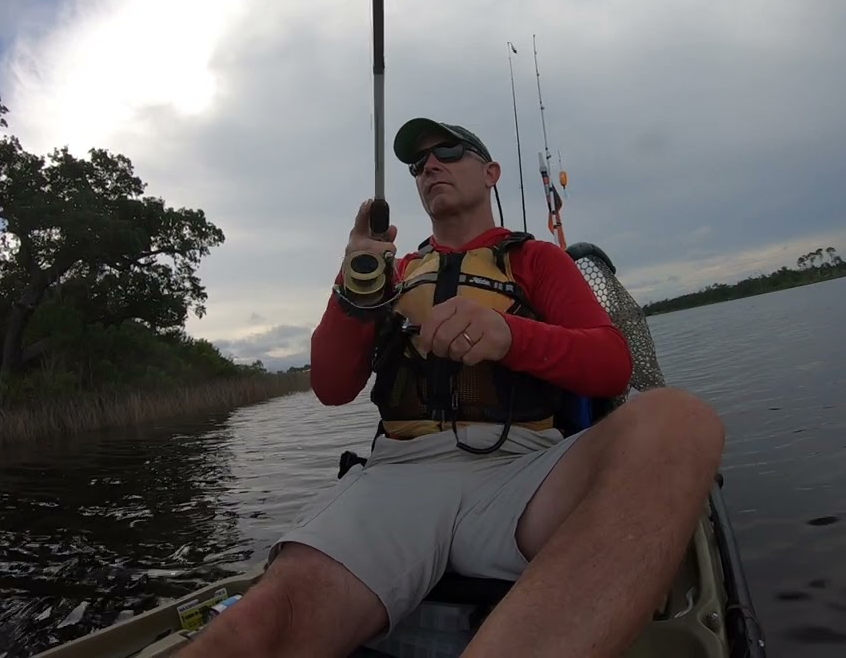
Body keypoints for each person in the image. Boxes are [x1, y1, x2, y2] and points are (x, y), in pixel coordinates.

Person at [178, 118, 725, 658]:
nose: (429, 167)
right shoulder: (392, 274)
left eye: (448, 152)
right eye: (418, 165)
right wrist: (353, 280)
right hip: (401, 478)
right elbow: (331, 386)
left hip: (522, 475)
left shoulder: (537, 259)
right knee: (259, 625)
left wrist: (510, 336)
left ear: (490, 172)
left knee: (680, 420)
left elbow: (613, 367)